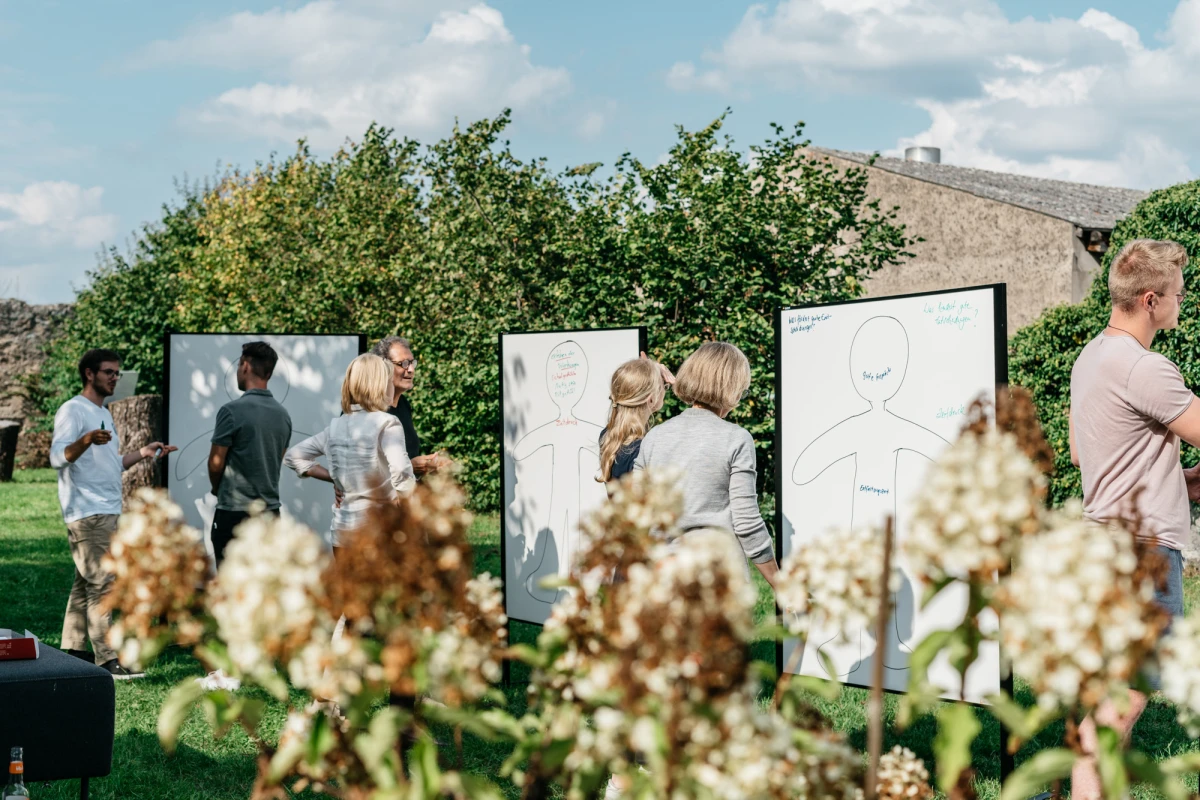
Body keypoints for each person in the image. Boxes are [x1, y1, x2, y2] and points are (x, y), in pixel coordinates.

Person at [1068, 238, 1200, 799]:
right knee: (1120, 706)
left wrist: (1181, 480)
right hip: (1143, 554)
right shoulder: (1146, 367)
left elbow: (1087, 453)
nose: (1183, 301)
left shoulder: (1091, 356)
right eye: (1178, 292)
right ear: (1151, 299)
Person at [49, 348, 176, 678]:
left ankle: (75, 651)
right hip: (87, 511)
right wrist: (87, 439)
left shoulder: (102, 411)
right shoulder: (73, 410)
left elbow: (112, 465)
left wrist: (143, 454)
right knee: (103, 585)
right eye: (109, 372)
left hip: (106, 507)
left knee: (85, 583)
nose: (115, 377)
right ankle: (107, 659)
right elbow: (57, 457)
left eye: (117, 372)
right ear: (90, 374)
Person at [633, 341, 780, 589]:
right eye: (742, 391)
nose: (739, 400)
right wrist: (780, 582)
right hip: (720, 579)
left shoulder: (654, 437)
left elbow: (636, 512)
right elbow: (746, 522)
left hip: (664, 579)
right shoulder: (736, 438)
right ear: (730, 388)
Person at [284, 353, 416, 548]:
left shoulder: (336, 426)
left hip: (342, 534)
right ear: (378, 384)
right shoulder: (387, 423)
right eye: (389, 381)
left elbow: (293, 456)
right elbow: (402, 471)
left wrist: (336, 479)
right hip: (380, 534)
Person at [207, 341, 292, 566]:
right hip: (270, 513)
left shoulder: (231, 411)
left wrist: (217, 489)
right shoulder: (283, 415)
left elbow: (216, 463)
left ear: (245, 366)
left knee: (229, 584)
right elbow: (276, 461)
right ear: (270, 373)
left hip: (234, 514)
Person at [371, 336, 448, 477]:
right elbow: (358, 468)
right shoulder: (367, 408)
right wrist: (409, 466)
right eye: (404, 363)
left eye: (412, 363)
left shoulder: (403, 403)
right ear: (384, 367)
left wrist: (428, 465)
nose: (411, 369)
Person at [597, 355, 673, 488]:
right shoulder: (644, 450)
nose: (666, 390)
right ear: (651, 400)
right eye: (665, 386)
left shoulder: (608, 436)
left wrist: (649, 369)